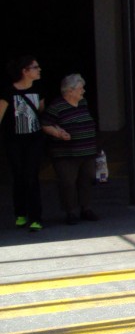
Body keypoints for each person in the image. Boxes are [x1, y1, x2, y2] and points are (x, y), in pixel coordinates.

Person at [0, 56, 69, 232]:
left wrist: (54, 129)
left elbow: (41, 114)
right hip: (14, 140)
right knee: (18, 176)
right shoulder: (8, 92)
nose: (39, 70)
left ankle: (36, 217)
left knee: (31, 176)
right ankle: (20, 213)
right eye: (35, 67)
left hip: (34, 139)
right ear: (25, 71)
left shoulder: (39, 89)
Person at [44, 73, 100, 225]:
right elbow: (46, 124)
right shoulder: (57, 106)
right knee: (68, 182)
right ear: (69, 91)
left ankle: (85, 208)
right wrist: (59, 133)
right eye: (80, 88)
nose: (83, 91)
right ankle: (70, 211)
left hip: (87, 151)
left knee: (87, 179)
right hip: (66, 153)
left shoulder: (83, 103)